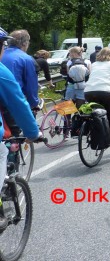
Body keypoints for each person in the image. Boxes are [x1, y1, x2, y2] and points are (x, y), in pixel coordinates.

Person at [0, 28, 42, 230]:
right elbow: (24, 96)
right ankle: (8, 182)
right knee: (11, 141)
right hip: (10, 105)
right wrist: (33, 132)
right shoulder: (21, 61)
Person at [1, 29, 39, 110]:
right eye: (28, 41)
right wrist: (34, 103)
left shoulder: (2, 54)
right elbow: (31, 85)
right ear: (25, 43)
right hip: (14, 102)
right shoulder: (26, 58)